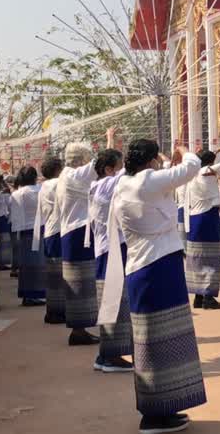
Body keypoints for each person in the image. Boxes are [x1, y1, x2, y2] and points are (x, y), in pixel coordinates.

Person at [99, 140, 206, 434]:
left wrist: (165, 164)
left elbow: (166, 183)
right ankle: (157, 415)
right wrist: (184, 150)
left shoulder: (125, 184)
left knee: (150, 342)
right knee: (167, 340)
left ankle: (159, 409)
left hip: (141, 267)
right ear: (149, 162)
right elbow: (193, 166)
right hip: (159, 266)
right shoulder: (147, 181)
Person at [57, 129, 113, 346]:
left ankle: (80, 329)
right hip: (77, 232)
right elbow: (100, 164)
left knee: (82, 282)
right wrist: (108, 141)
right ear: (80, 160)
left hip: (75, 232)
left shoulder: (67, 176)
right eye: (86, 159)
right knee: (80, 282)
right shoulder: (72, 175)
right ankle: (78, 330)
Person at [90, 147, 133, 373]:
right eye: (119, 164)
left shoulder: (98, 185)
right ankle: (110, 356)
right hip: (111, 251)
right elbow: (128, 172)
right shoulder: (106, 185)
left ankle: (105, 354)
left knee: (114, 301)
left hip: (109, 249)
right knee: (114, 302)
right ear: (108, 170)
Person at [183, 147, 220, 310]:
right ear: (211, 162)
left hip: (194, 218)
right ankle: (208, 298)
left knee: (197, 258)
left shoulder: (191, 174)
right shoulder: (205, 171)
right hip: (207, 217)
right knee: (211, 258)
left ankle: (199, 296)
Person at [33, 157, 65, 324]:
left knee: (54, 276)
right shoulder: (56, 184)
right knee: (60, 275)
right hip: (58, 231)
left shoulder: (44, 186)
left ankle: (53, 311)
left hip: (50, 231)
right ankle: (58, 312)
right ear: (57, 170)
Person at [9, 166, 46, 306]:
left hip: (24, 231)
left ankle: (26, 294)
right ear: (34, 177)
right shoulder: (40, 190)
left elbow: (12, 213)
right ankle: (35, 294)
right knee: (38, 263)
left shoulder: (16, 194)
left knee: (26, 264)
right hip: (40, 229)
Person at [0, 175, 13, 271]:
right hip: (3, 219)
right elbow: (10, 207)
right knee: (5, 242)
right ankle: (3, 263)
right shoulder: (6, 195)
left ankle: (1, 263)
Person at [8, 174, 22, 278]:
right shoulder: (19, 194)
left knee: (15, 247)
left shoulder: (12, 196)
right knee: (18, 247)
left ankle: (14, 268)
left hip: (13, 222)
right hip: (20, 223)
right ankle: (16, 268)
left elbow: (8, 209)